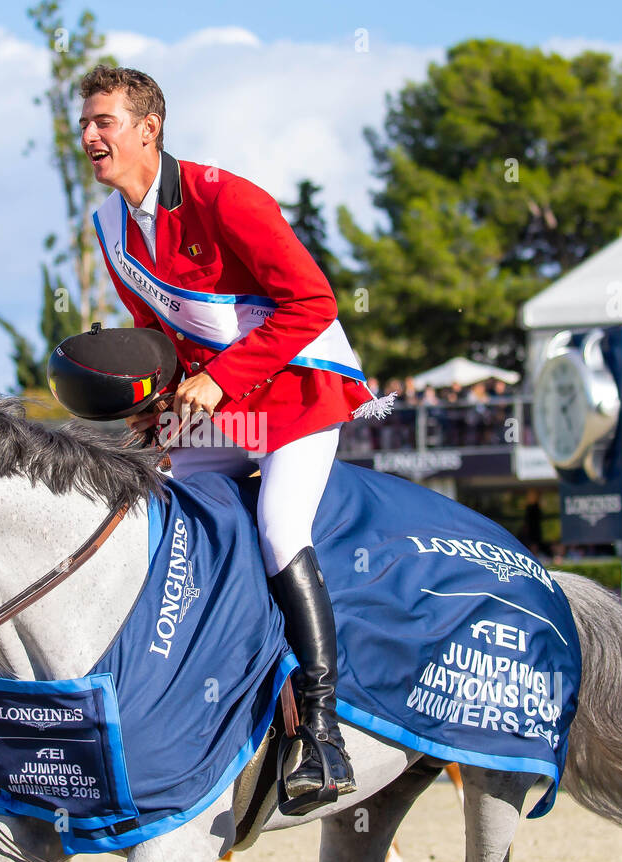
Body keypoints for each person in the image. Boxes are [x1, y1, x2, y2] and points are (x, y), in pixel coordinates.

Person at [78, 65, 393, 812]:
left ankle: (320, 732)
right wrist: (151, 404)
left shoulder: (228, 197)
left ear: (148, 128)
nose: (91, 137)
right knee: (164, 521)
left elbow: (312, 302)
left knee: (280, 528)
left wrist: (219, 382)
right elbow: (161, 337)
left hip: (299, 395)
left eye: (105, 123)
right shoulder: (109, 227)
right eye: (86, 125)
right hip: (219, 403)